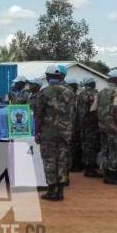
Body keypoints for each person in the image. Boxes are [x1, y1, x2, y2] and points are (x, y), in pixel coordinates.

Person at [36, 65, 75, 200]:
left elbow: (39, 115)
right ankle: (60, 192)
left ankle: (51, 191)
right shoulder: (70, 92)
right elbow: (72, 113)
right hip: (65, 132)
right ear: (60, 77)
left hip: (49, 133)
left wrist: (37, 132)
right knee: (62, 161)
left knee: (50, 161)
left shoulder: (44, 92)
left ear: (47, 77)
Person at [96, 69, 117, 185]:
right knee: (115, 150)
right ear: (115, 79)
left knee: (105, 149)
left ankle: (106, 174)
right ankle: (112, 176)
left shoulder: (101, 92)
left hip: (102, 125)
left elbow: (94, 109)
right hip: (112, 126)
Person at [77, 77, 101, 178]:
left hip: (82, 122)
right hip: (92, 123)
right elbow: (94, 109)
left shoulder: (80, 94)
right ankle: (90, 169)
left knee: (85, 144)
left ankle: (87, 166)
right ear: (92, 84)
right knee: (92, 145)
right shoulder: (94, 94)